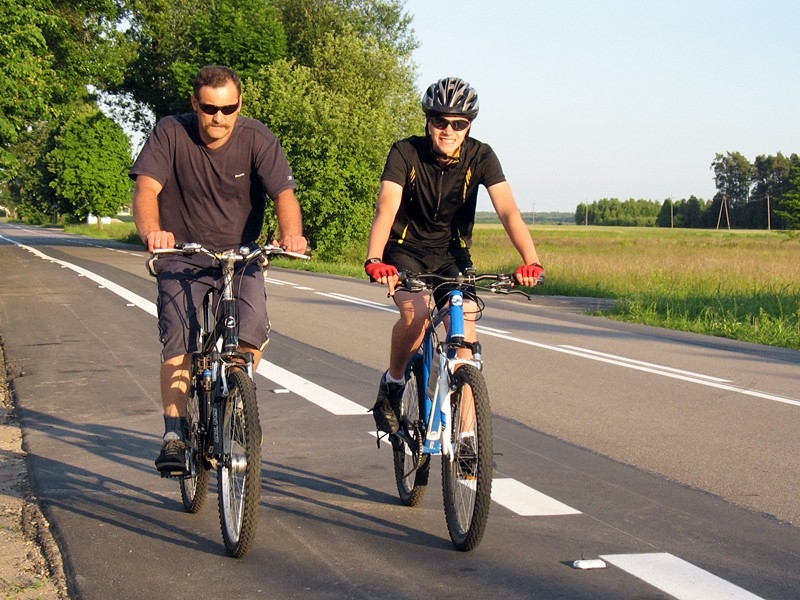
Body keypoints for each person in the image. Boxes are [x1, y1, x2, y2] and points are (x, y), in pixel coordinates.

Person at [130, 65, 307, 474]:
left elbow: (284, 194)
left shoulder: (257, 138)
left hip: (240, 255)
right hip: (182, 254)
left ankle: (234, 397)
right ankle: (174, 433)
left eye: (228, 109)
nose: (219, 118)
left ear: (239, 104)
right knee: (179, 336)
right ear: (195, 104)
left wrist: (291, 234)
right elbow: (146, 189)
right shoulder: (170, 133)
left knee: (254, 327)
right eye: (210, 108)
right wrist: (153, 232)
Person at [364, 76, 544, 436]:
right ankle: (395, 382)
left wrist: (531, 260)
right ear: (428, 121)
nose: (448, 130)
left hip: (452, 256)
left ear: (469, 126)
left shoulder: (482, 156)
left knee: (464, 339)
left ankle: (464, 440)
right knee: (416, 317)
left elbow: (508, 210)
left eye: (458, 124)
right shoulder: (406, 152)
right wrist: (374, 258)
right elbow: (387, 207)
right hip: (404, 251)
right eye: (440, 121)